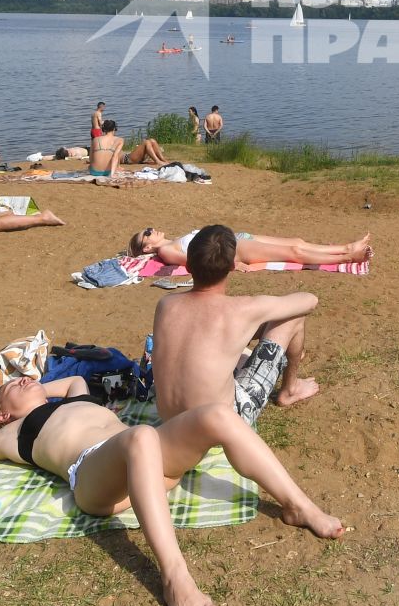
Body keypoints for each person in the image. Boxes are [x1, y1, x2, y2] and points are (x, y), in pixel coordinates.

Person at [0, 360, 336, 606]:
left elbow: (73, 380)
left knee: (216, 415)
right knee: (140, 436)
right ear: (2, 412)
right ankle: (175, 576)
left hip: (150, 464)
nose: (24, 377)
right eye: (13, 384)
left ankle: (297, 506)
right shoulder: (9, 435)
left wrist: (34, 389)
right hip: (96, 480)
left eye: (25, 376)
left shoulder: (75, 396)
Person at [150, 226, 344, 548]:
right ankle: (289, 390)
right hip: (218, 425)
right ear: (231, 266)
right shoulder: (244, 309)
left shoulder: (165, 304)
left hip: (171, 427)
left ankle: (284, 387)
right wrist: (260, 318)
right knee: (292, 317)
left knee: (232, 350)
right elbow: (310, 300)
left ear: (188, 265)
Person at [130, 226, 372, 268]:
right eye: (147, 234)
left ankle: (347, 247)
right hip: (234, 249)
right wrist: (231, 264)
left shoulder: (172, 242)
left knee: (297, 242)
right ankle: (348, 258)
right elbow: (195, 261)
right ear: (147, 248)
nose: (152, 230)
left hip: (236, 237)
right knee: (294, 253)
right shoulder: (165, 251)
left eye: (148, 228)